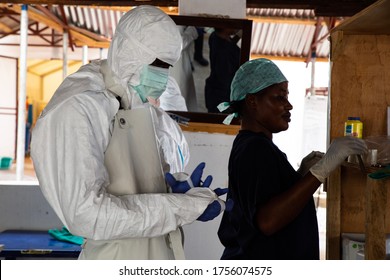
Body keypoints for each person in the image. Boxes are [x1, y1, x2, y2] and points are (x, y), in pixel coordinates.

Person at [31, 6, 230, 260]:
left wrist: (168, 188)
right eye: (158, 64)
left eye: (168, 66)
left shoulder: (136, 104)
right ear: (131, 53)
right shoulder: (79, 107)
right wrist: (182, 207)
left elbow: (130, 183)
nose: (164, 76)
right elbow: (86, 215)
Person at [216, 58, 367, 259]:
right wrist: (319, 172)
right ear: (253, 101)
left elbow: (266, 199)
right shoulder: (254, 148)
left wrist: (299, 176)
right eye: (280, 97)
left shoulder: (254, 146)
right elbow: (268, 221)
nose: (289, 106)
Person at [205, 28, 241, 113]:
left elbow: (229, 45)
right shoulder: (223, 54)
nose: (237, 27)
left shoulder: (215, 36)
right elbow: (225, 78)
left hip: (215, 90)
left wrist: (238, 36)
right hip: (221, 96)